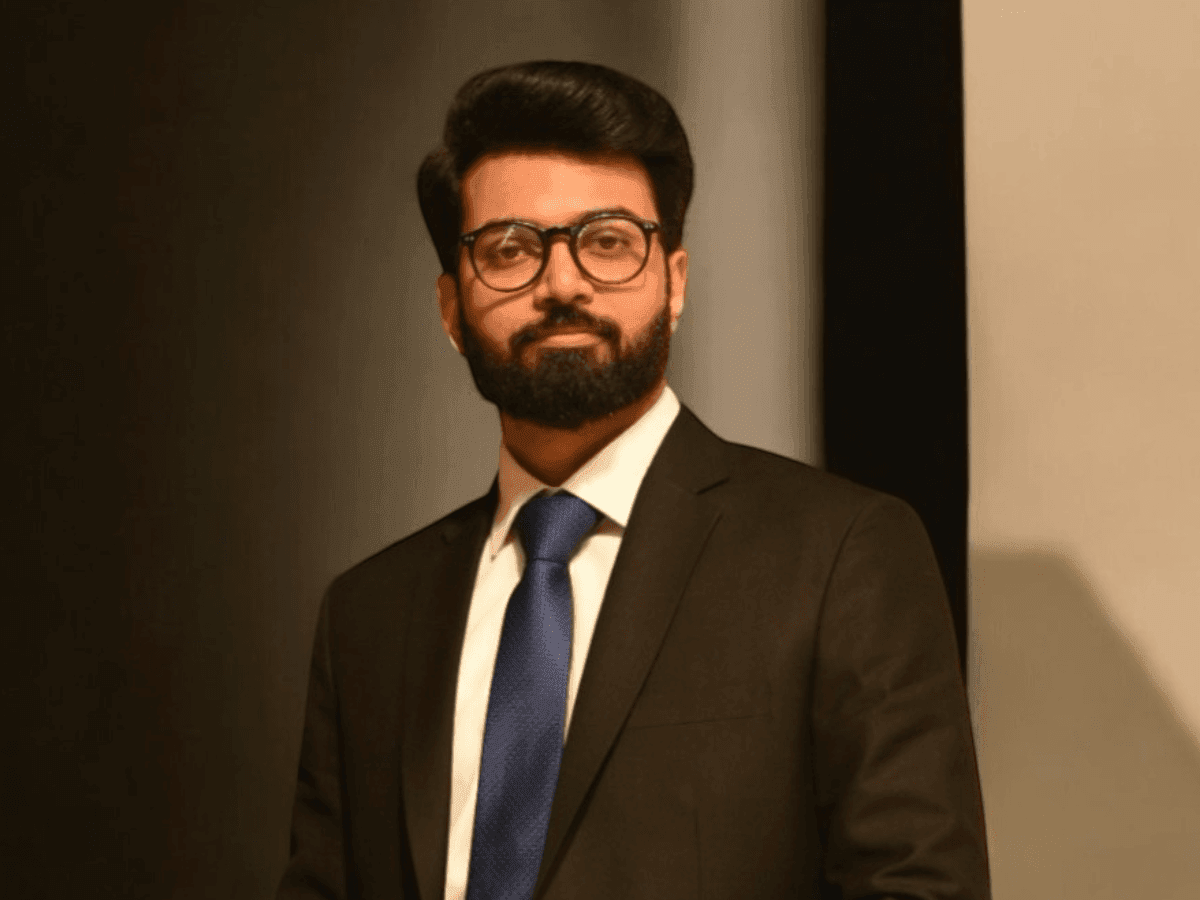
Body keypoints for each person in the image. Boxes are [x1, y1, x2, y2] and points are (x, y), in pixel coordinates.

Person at [277, 60, 990, 900]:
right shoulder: (369, 615)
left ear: (675, 282)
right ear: (449, 309)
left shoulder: (838, 556)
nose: (563, 283)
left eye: (608, 241)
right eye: (509, 249)